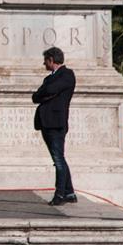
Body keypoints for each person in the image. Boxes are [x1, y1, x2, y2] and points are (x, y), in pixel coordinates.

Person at [32, 46, 76, 205]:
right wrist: (45, 95)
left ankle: (60, 194)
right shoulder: (49, 77)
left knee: (58, 160)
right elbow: (36, 96)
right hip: (46, 123)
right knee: (59, 158)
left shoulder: (67, 75)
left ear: (51, 60)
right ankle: (70, 192)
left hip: (56, 123)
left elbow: (51, 89)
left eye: (46, 61)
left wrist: (46, 93)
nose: (44, 64)